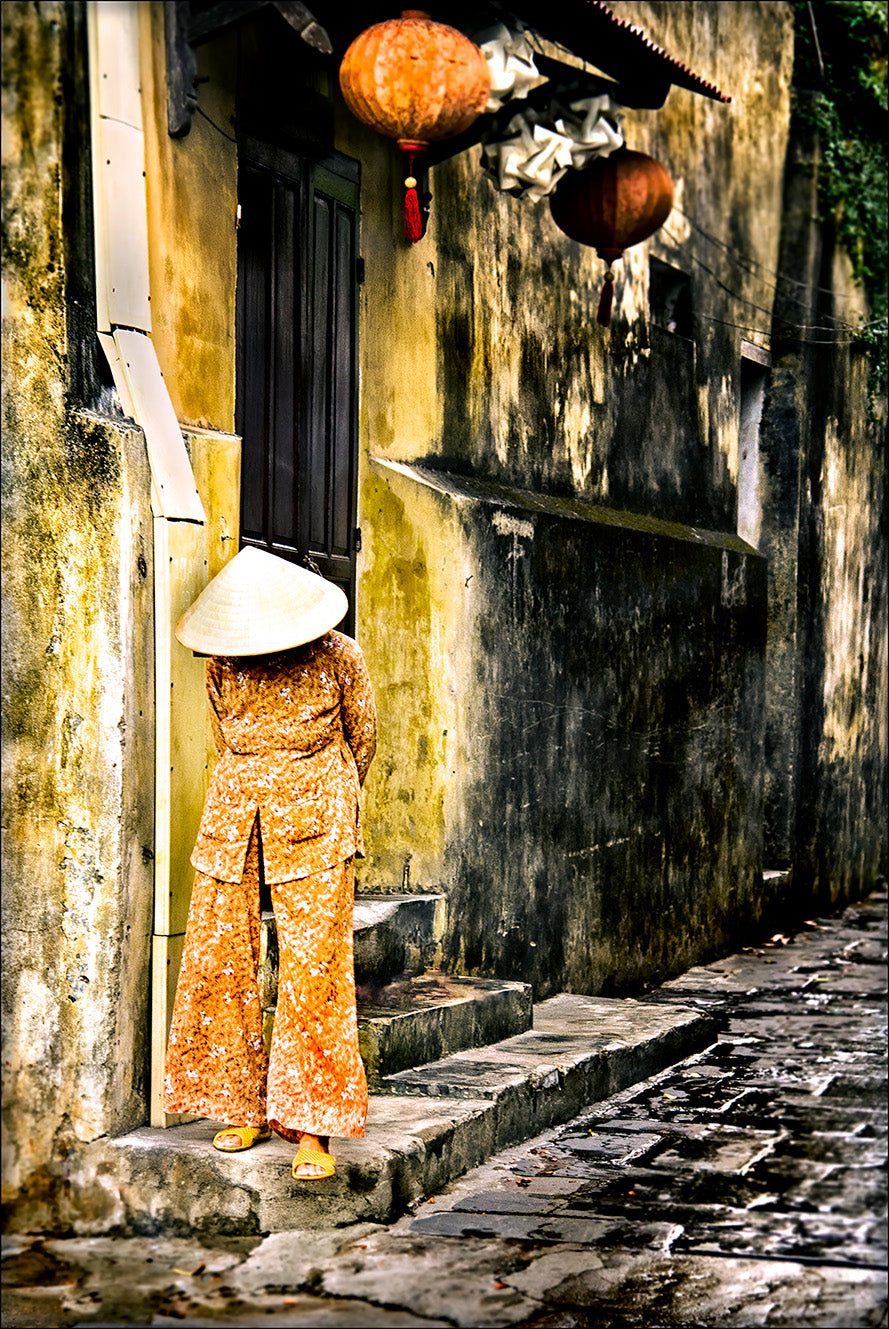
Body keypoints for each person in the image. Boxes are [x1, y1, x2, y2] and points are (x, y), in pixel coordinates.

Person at [163, 545, 376, 1181]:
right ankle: (243, 1104)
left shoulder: (341, 656)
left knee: (315, 969)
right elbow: (227, 737)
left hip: (317, 818)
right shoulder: (224, 663)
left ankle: (311, 1128)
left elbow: (361, 740)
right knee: (221, 958)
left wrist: (324, 799)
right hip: (234, 816)